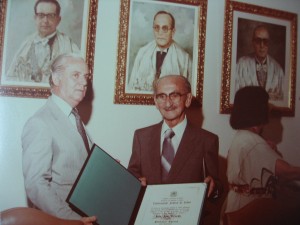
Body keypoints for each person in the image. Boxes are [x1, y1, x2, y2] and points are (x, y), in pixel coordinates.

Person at [22, 53, 96, 225]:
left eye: (86, 76)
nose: (84, 82)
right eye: (76, 75)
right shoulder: (40, 123)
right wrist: (72, 220)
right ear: (56, 79)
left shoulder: (75, 119)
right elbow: (36, 183)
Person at [128, 75, 221, 204]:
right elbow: (133, 174)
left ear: (188, 99)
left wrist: (213, 187)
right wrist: (134, 181)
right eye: (162, 96)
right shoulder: (141, 137)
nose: (168, 103)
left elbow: (216, 186)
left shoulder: (207, 140)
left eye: (174, 95)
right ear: (155, 101)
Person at [222, 86, 300, 224]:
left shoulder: (242, 137)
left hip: (237, 206)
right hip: (251, 212)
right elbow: (287, 173)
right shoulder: (254, 142)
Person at [6, 0, 79, 83]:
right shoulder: (26, 44)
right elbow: (10, 78)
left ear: (58, 20)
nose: (45, 21)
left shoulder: (68, 45)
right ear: (35, 18)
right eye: (41, 15)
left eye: (51, 16)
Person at [128, 11, 192, 92]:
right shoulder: (142, 52)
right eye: (157, 28)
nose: (160, 33)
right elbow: (131, 88)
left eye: (165, 28)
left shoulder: (184, 59)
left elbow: (187, 93)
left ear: (173, 32)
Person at [235, 25, 285, 101]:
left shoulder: (278, 69)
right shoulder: (240, 65)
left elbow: (282, 99)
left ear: (269, 43)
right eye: (258, 41)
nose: (262, 46)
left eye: (265, 41)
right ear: (253, 42)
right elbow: (236, 96)